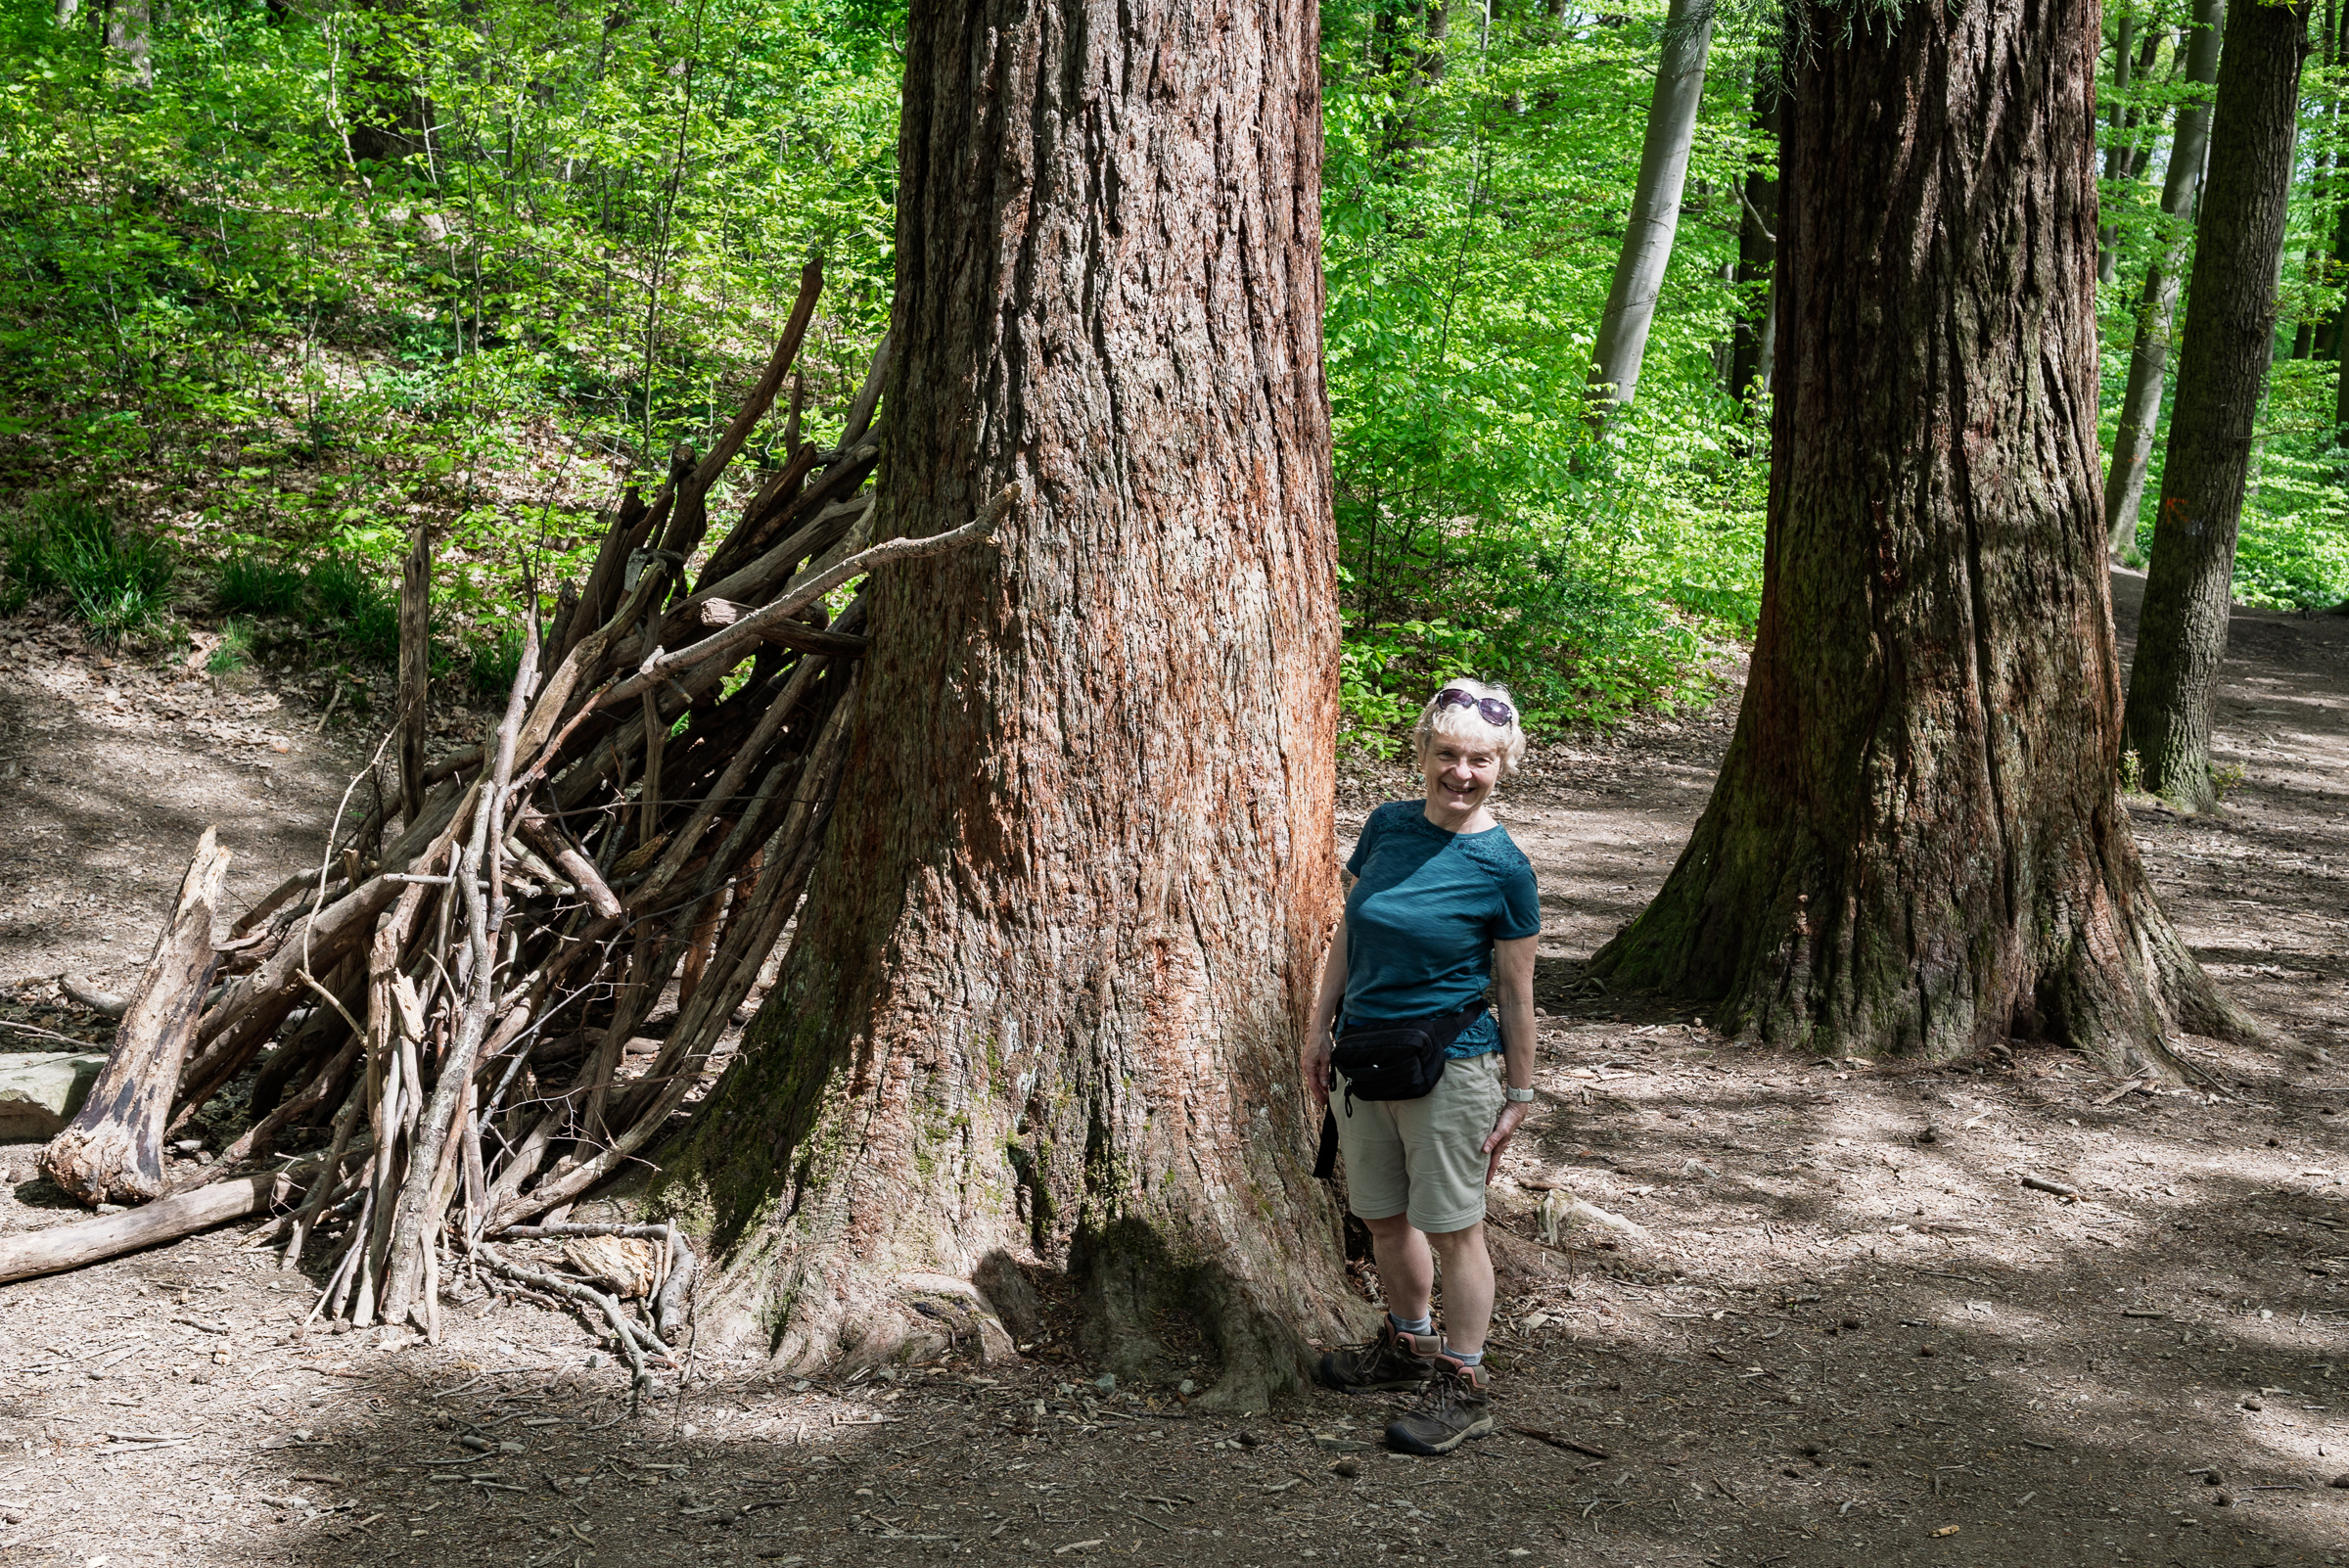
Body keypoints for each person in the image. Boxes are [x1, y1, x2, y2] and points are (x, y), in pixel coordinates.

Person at [1301, 678, 1540, 1456]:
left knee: (1454, 1228)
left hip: (1452, 1066)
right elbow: (1351, 932)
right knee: (1382, 1216)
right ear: (1424, 753)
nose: (1461, 772)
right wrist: (1318, 1029)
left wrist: (1519, 1093)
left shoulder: (1505, 868)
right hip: (1364, 1055)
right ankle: (1409, 1344)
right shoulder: (1387, 827)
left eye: (1480, 760)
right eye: (1447, 754)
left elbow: (1516, 992)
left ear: (1502, 765)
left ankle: (1464, 1383)